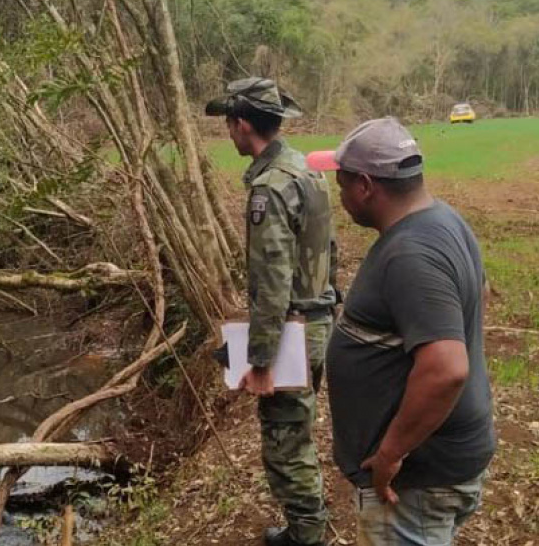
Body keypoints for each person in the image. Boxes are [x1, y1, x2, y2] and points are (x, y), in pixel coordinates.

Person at [307, 118, 496, 545]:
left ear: (367, 186)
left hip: (417, 482)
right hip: (439, 465)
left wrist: (391, 454)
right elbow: (478, 298)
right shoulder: (445, 219)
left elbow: (446, 368)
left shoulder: (411, 254)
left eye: (343, 182)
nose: (339, 194)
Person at [206, 78, 338, 546]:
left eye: (228, 124)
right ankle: (310, 521)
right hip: (319, 320)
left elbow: (272, 283)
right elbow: (327, 249)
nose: (228, 132)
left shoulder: (270, 188)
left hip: (294, 331)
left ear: (243, 126)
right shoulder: (306, 169)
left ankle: (307, 533)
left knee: (285, 442)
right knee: (297, 429)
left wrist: (262, 361)